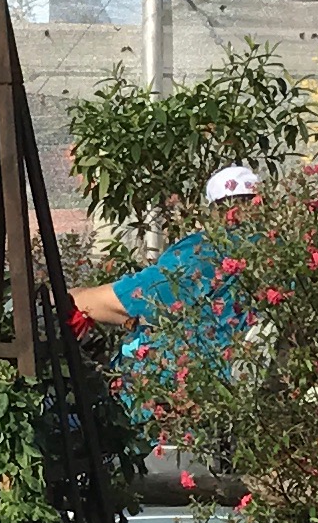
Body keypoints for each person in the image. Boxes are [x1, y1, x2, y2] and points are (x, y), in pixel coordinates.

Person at [71, 162, 267, 382]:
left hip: (183, 385)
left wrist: (76, 296)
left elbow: (125, 298)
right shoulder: (283, 252)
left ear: (213, 210)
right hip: (250, 382)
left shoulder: (202, 252)